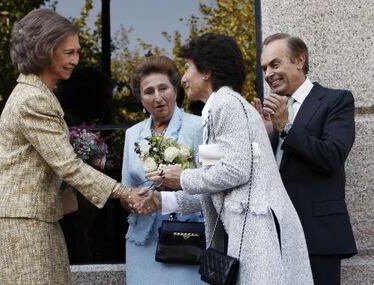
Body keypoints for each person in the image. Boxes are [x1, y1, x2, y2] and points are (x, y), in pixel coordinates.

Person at [140, 33, 314, 284]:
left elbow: (235, 170)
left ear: (207, 71)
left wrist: (182, 176)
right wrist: (162, 200)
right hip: (248, 235)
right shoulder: (214, 111)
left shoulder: (226, 105)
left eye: (187, 68)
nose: (184, 78)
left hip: (259, 233)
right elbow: (214, 181)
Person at [0, 9, 143, 284]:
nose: (75, 60)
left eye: (77, 52)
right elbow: (67, 164)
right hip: (24, 219)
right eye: (69, 52)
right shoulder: (34, 99)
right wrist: (122, 191)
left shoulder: (39, 93)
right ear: (45, 49)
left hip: (36, 215)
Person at [251, 33, 357, 285]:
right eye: (264, 68)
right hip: (274, 233)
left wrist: (285, 127)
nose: (268, 74)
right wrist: (266, 137)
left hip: (316, 235)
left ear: (300, 60)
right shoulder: (272, 113)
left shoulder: (335, 100)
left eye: (275, 64)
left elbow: (331, 156)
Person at [122, 55, 204, 285]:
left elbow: (212, 188)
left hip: (186, 238)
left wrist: (170, 191)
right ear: (141, 98)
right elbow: (125, 189)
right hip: (143, 241)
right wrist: (133, 199)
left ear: (175, 89)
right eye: (149, 91)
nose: (157, 97)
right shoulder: (132, 134)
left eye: (163, 88)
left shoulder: (198, 127)